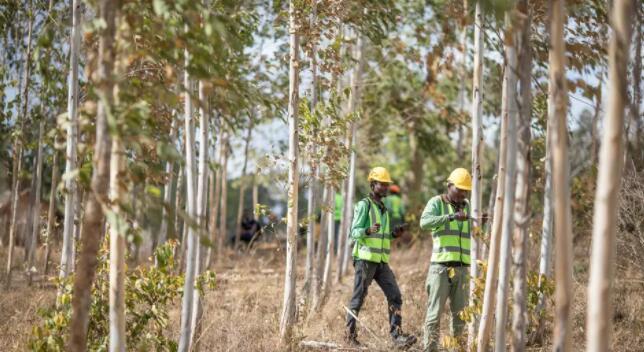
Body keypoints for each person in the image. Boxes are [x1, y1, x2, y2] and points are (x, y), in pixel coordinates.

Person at [345, 166, 417, 348]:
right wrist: (367, 230)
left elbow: (381, 237)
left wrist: (394, 234)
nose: (385, 187)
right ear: (373, 184)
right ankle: (349, 337)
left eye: (387, 185)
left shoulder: (383, 208)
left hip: (381, 262)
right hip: (365, 260)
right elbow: (354, 232)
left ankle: (397, 337)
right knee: (358, 298)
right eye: (382, 184)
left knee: (395, 296)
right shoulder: (364, 205)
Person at [419, 168, 483, 351]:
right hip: (440, 268)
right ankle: (430, 349)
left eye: (465, 190)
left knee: (460, 317)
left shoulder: (468, 205)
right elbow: (424, 223)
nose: (462, 193)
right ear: (449, 186)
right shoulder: (437, 202)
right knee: (434, 315)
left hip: (462, 269)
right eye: (459, 189)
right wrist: (449, 217)